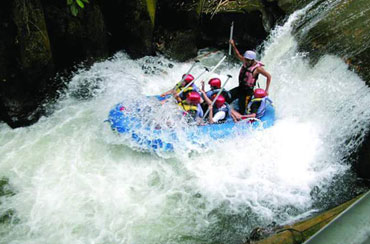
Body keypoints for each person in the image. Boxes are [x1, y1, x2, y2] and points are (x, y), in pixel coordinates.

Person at [228, 39, 271, 115]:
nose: (246, 61)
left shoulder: (258, 69)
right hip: (240, 88)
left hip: (248, 92)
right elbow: (237, 55)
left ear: (252, 60)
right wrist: (233, 45)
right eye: (245, 59)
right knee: (227, 97)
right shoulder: (245, 61)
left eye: (248, 60)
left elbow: (269, 76)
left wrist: (266, 90)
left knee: (242, 110)